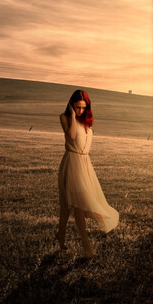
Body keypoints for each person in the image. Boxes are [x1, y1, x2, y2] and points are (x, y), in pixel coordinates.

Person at [55, 89, 119, 257]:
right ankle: (86, 246)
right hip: (72, 162)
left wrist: (80, 118)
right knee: (77, 205)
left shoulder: (87, 122)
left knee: (68, 207)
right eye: (77, 107)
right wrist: (73, 117)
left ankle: (60, 236)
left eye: (83, 108)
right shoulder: (65, 118)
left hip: (84, 164)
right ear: (71, 105)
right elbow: (71, 137)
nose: (80, 111)